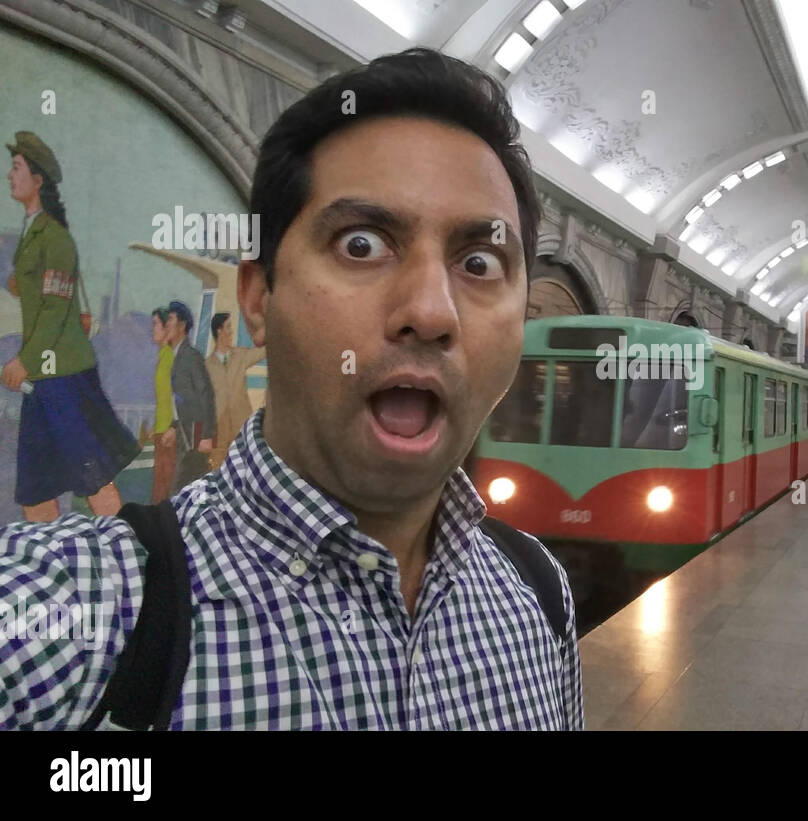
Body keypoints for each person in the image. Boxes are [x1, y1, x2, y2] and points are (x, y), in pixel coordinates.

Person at [0, 48, 583, 729]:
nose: (431, 310)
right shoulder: (71, 620)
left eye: (479, 262)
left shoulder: (538, 596)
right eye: (362, 245)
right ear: (258, 297)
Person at [2, 132, 139, 521]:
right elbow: (36, 287)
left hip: (62, 373)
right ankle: (44, 560)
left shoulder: (56, 238)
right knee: (34, 486)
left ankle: (121, 551)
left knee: (92, 475)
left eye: (17, 169)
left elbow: (55, 310)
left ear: (38, 180)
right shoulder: (33, 234)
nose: (9, 176)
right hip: (45, 379)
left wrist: (23, 361)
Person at [165, 300, 217, 490]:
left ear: (182, 325)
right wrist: (174, 426)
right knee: (192, 489)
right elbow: (182, 400)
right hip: (185, 434)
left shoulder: (191, 356)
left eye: (170, 319)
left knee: (183, 489)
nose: (167, 324)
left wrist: (207, 436)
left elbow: (207, 395)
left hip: (196, 435)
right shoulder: (178, 356)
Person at [205, 312, 267, 469]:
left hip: (241, 427)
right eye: (228, 328)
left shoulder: (240, 355)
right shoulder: (206, 366)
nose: (232, 332)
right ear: (219, 331)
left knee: (245, 470)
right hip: (219, 431)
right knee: (218, 473)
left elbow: (262, 351)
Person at [150, 307, 178, 504]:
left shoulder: (171, 357)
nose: (152, 329)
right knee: (160, 486)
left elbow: (178, 396)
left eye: (155, 324)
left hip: (170, 434)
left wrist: (172, 427)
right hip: (161, 431)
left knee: (165, 489)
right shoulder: (163, 356)